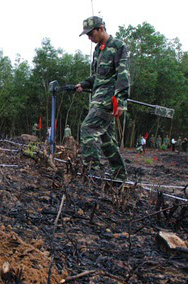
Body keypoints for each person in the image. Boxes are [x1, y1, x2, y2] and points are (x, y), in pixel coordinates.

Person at [75, 16, 129, 180]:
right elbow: (97, 78)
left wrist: (121, 102)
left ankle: (93, 171)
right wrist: (83, 84)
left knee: (87, 129)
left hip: (107, 100)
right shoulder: (98, 50)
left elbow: (123, 74)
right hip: (97, 100)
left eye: (91, 34)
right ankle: (120, 175)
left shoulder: (118, 46)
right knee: (107, 140)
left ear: (101, 29)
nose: (90, 38)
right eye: (87, 36)